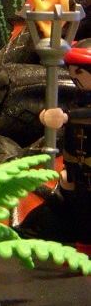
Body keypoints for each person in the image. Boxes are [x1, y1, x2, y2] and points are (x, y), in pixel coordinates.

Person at [18, 44, 91, 253]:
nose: (73, 76)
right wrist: (69, 168)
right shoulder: (79, 98)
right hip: (77, 170)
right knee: (79, 209)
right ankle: (82, 248)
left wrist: (66, 117)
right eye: (72, 70)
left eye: (79, 71)